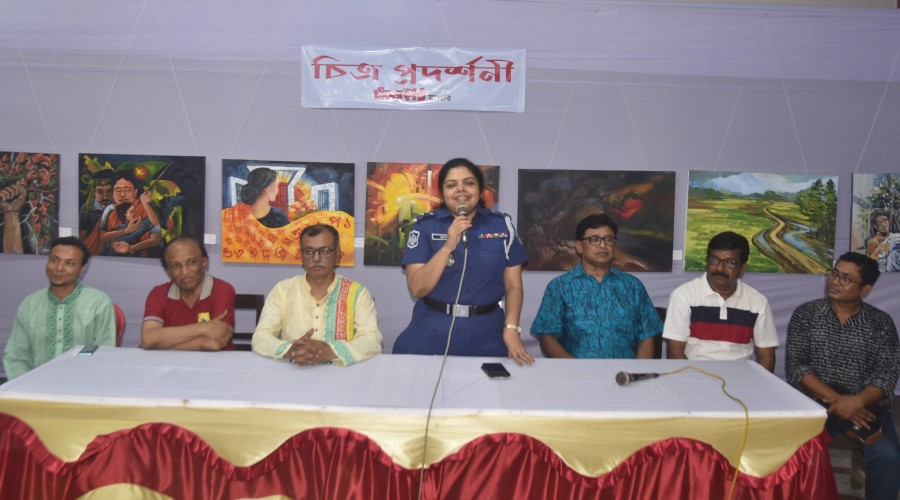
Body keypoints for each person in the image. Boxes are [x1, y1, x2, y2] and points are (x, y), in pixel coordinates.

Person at [392, 158, 533, 365]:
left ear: (480, 189)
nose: (461, 190)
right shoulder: (425, 227)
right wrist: (447, 246)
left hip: (487, 332)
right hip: (433, 329)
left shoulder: (502, 225)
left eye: (469, 183)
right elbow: (418, 288)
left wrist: (511, 328)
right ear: (442, 192)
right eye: (451, 185)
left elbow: (513, 286)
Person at [786, 252, 899, 500]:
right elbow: (797, 368)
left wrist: (856, 402)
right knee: (797, 452)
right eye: (834, 274)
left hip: (866, 407)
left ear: (865, 289)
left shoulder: (881, 323)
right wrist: (839, 402)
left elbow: (887, 374)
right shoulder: (806, 314)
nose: (835, 282)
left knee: (888, 456)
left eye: (846, 279)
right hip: (814, 403)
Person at [531, 213, 661, 358]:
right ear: (579, 246)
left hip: (625, 370)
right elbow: (547, 337)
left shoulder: (633, 286)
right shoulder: (560, 286)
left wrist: (637, 370)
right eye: (594, 239)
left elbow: (647, 335)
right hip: (576, 370)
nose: (603, 245)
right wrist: (573, 367)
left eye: (609, 239)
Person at [252, 224, 382, 366]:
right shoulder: (282, 290)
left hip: (341, 374)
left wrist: (330, 351)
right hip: (293, 370)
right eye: (309, 251)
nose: (316, 258)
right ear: (302, 256)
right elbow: (260, 338)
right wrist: (291, 350)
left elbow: (372, 340)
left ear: (337, 255)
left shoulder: (358, 293)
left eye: (324, 251)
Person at [662, 231, 777, 371]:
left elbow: (767, 357)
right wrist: (697, 379)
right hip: (694, 376)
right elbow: (675, 352)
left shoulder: (758, 302)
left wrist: (756, 383)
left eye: (729, 263)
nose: (720, 268)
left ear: (742, 268)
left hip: (741, 378)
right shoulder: (684, 295)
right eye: (714, 260)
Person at [3, 237, 115, 379]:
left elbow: (104, 355)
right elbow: (16, 357)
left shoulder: (98, 303)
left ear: (81, 269)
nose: (59, 268)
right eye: (54, 260)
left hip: (82, 386)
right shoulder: (30, 304)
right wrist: (26, 387)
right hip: (34, 386)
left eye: (69, 263)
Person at [140, 236, 236, 350]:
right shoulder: (158, 294)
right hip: (169, 360)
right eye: (176, 266)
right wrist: (203, 328)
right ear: (168, 270)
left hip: (216, 360)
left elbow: (213, 343)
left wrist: (160, 343)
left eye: (191, 262)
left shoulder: (222, 290)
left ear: (204, 262)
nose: (185, 272)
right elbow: (148, 339)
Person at [102, 191, 162, 255]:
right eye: (131, 212)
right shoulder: (118, 229)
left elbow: (155, 224)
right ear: (124, 214)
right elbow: (104, 239)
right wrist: (126, 231)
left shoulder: (138, 224)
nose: (135, 213)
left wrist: (145, 203)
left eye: (134, 211)